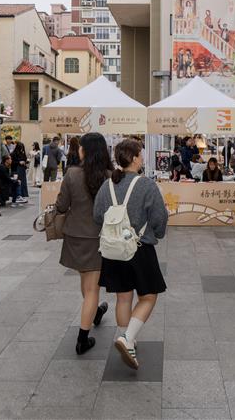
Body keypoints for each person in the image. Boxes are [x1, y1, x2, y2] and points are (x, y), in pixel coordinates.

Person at [93, 138, 168, 370]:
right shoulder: (146, 185)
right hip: (139, 249)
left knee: (123, 297)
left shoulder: (107, 185)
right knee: (149, 295)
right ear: (135, 157)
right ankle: (128, 338)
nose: (143, 156)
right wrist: (158, 233)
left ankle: (128, 338)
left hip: (113, 250)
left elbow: (97, 216)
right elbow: (160, 217)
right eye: (141, 153)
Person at [55, 132, 112, 354]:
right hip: (99, 238)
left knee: (86, 283)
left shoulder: (72, 174)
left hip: (75, 237)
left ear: (85, 151)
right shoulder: (110, 176)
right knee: (92, 288)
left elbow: (61, 205)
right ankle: (82, 339)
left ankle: (95, 312)